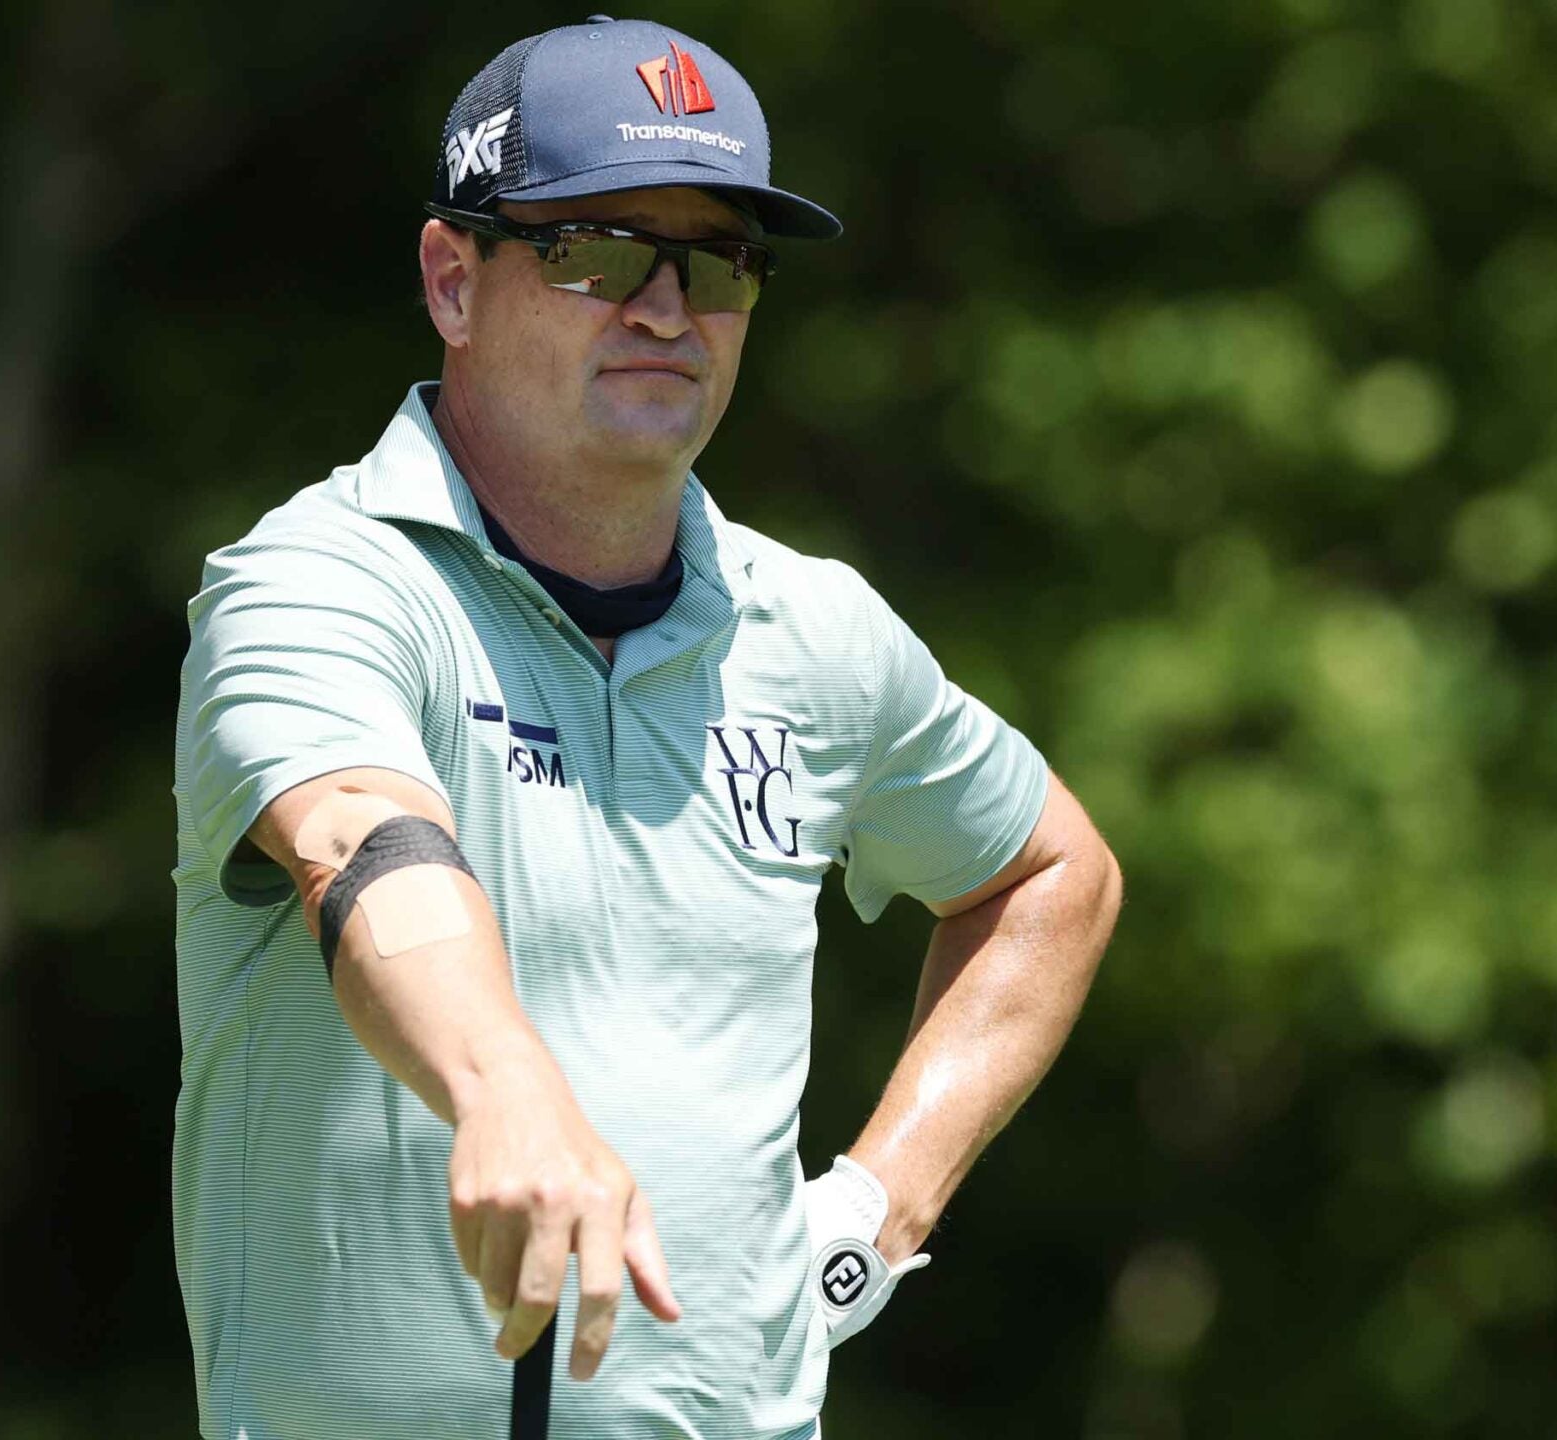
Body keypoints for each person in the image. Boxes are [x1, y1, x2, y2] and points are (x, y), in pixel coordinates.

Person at [170, 17, 1122, 1439]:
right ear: (453, 278)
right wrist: (501, 1087)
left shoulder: (816, 631)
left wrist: (873, 1213)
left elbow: (1052, 877)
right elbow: (361, 844)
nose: (667, 309)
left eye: (720, 261)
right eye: (599, 251)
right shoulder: (317, 581)